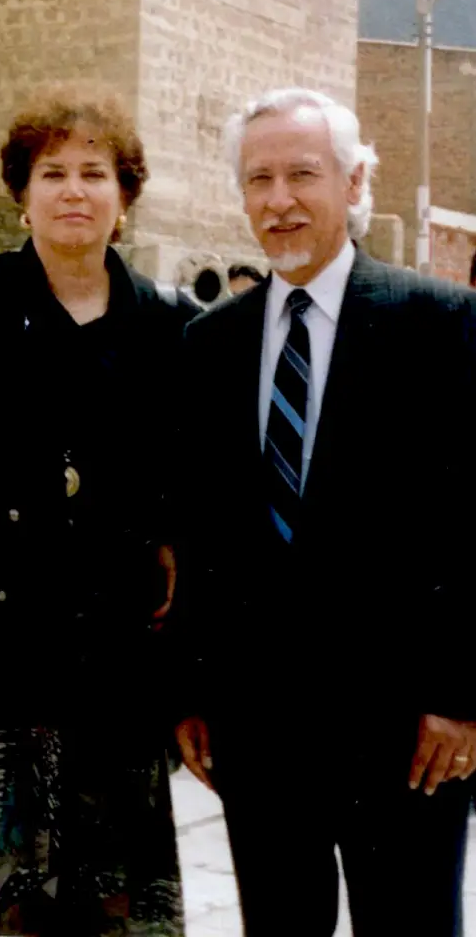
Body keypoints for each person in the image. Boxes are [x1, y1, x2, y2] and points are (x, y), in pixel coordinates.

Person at [0, 82, 197, 937]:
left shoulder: (167, 324)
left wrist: (166, 542)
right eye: (52, 172)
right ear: (22, 194)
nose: (74, 190)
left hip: (108, 669)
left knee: (101, 908)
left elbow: (179, 479)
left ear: (124, 196)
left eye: (95, 172)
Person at [174, 87, 476, 937]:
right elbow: (204, 531)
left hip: (407, 729)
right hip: (259, 728)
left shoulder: (439, 322)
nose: (277, 201)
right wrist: (193, 690)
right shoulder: (210, 344)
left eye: (301, 175)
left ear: (353, 183)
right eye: (257, 179)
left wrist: (462, 698)